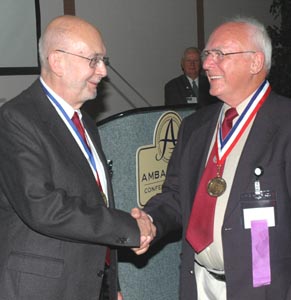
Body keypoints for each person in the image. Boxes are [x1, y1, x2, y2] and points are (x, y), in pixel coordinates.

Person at [132, 16, 291, 299]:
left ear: (255, 62)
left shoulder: (285, 123)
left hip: (264, 287)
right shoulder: (196, 126)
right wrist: (150, 221)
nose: (206, 64)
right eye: (208, 54)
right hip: (200, 282)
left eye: (220, 54)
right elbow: (175, 195)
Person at [0, 15, 155, 300]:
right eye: (94, 60)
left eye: (103, 61)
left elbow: (95, 202)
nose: (103, 72)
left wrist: (111, 286)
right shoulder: (16, 119)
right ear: (58, 61)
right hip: (41, 290)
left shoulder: (85, 122)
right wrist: (128, 227)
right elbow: (43, 207)